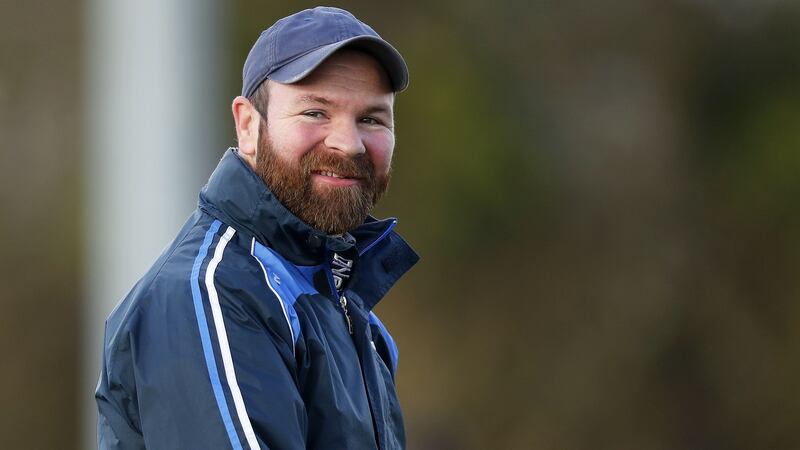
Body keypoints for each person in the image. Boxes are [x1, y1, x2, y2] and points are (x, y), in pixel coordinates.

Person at [95, 7, 418, 450]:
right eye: (315, 113)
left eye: (372, 119)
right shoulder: (212, 292)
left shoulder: (350, 312)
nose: (349, 142)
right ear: (248, 125)